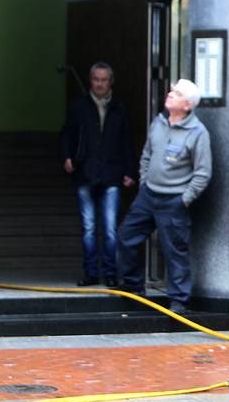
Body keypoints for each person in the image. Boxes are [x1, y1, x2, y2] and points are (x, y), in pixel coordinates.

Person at [116, 79, 212, 314]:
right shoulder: (158, 123)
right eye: (171, 90)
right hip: (148, 196)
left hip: (174, 200)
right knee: (126, 236)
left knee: (174, 250)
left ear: (188, 105)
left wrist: (185, 199)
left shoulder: (197, 133)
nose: (169, 94)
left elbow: (203, 172)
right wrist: (144, 181)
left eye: (176, 93)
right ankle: (133, 287)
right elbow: (147, 154)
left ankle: (179, 301)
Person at [57, 62, 135, 287]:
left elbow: (127, 141)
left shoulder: (119, 108)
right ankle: (91, 273)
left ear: (111, 82)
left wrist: (130, 171)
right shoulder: (79, 106)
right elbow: (66, 134)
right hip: (85, 172)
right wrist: (67, 157)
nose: (99, 84)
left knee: (110, 229)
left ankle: (110, 273)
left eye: (104, 80)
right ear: (90, 80)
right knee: (89, 228)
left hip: (112, 174)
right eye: (95, 79)